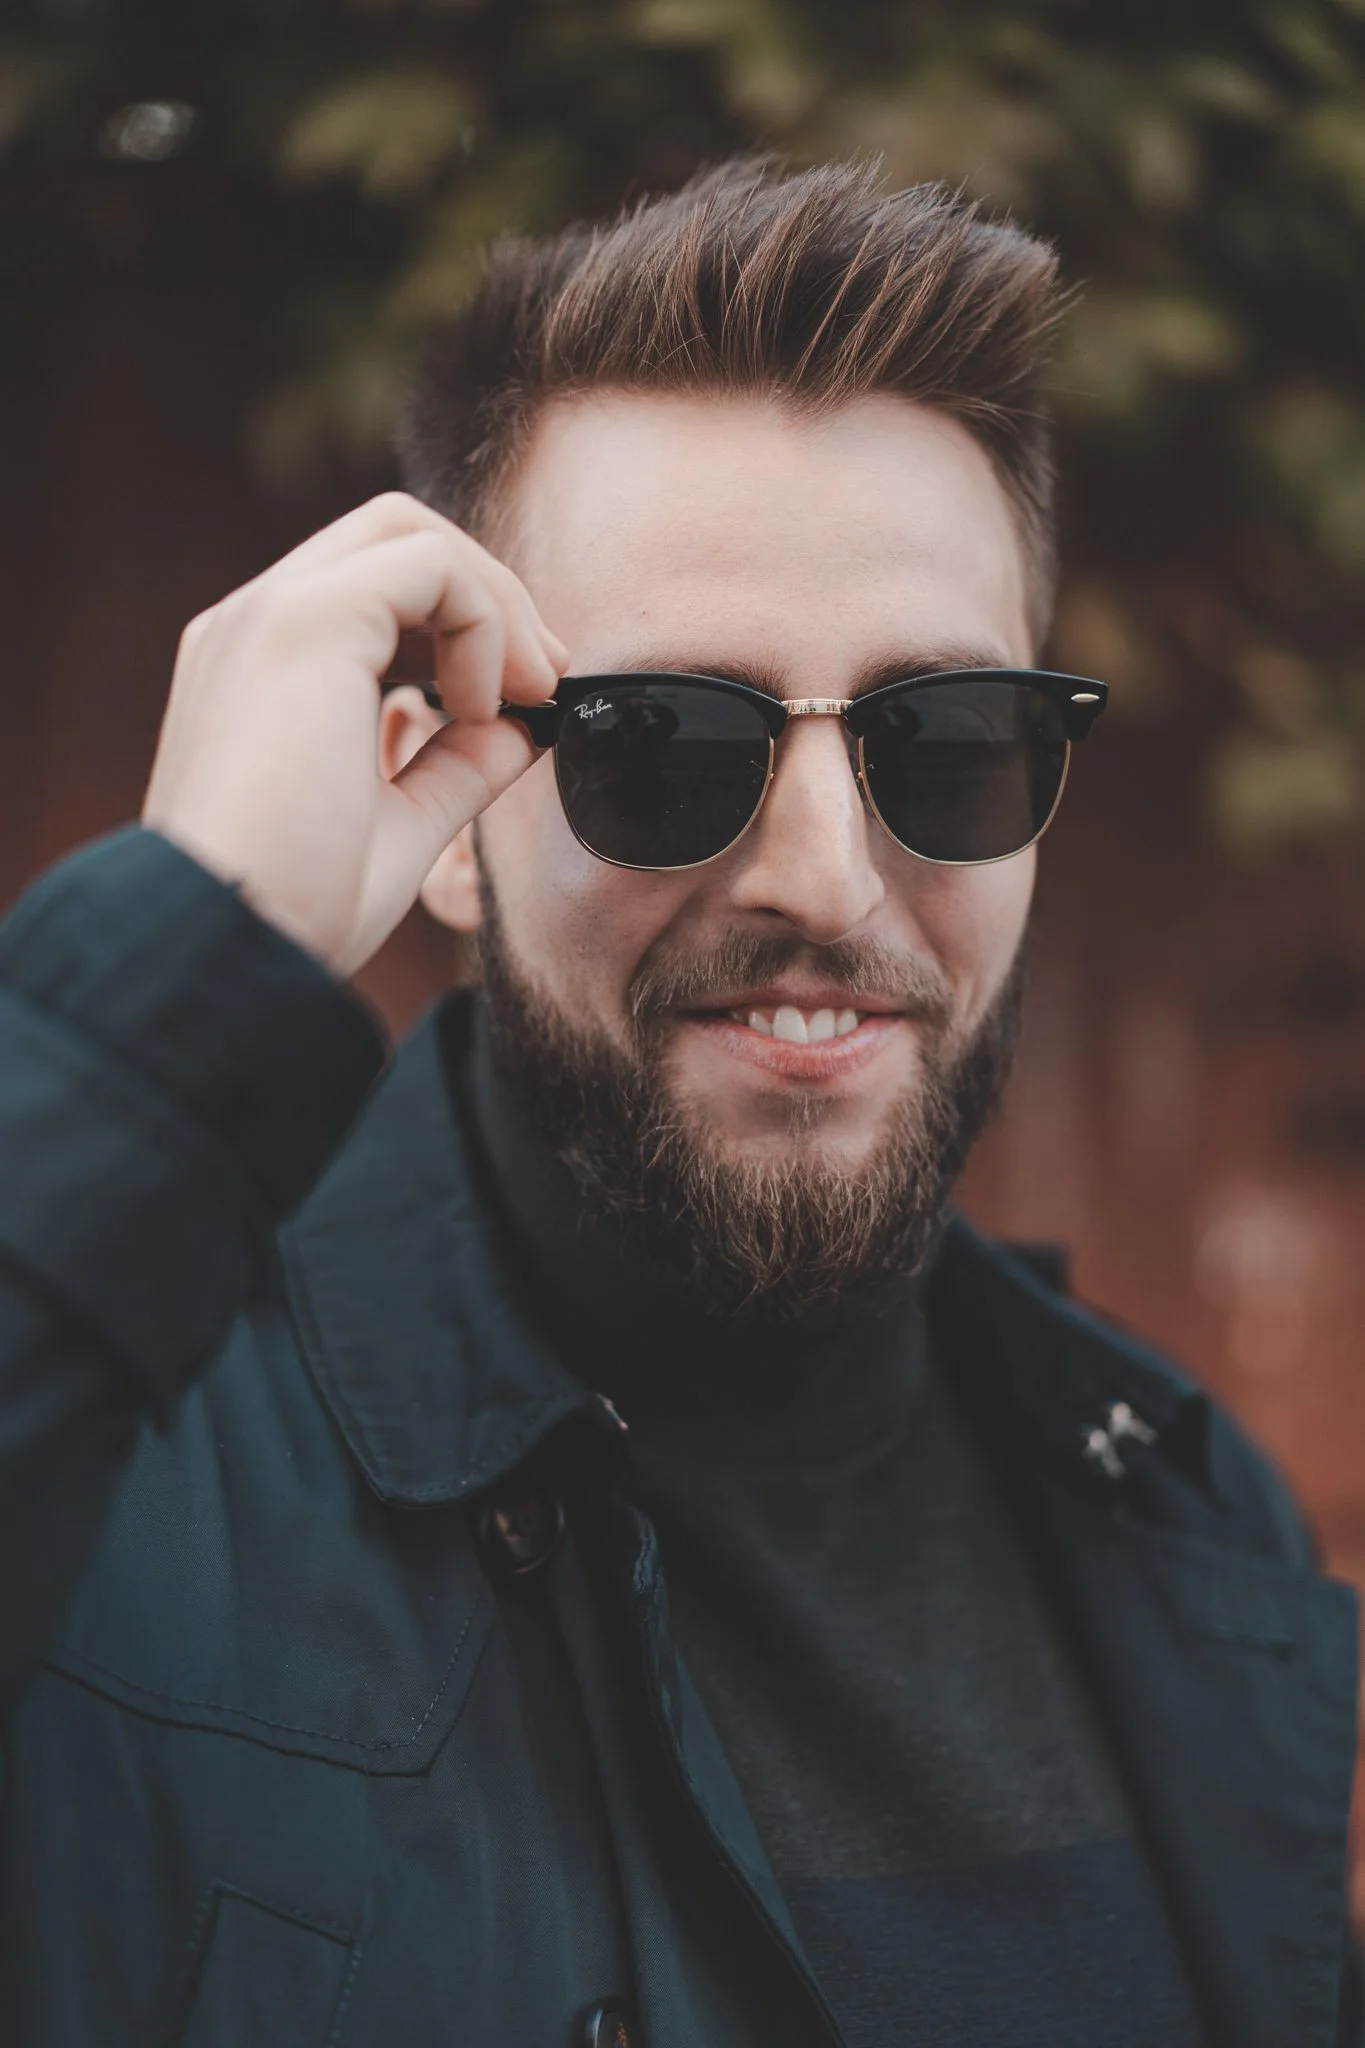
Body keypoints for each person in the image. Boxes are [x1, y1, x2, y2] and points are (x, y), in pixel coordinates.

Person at [0, 158, 1356, 2048]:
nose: (826, 878)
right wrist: (193, 942)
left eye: (948, 742)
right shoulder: (117, 1496)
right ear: (448, 813)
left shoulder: (1187, 1518)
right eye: (661, 742)